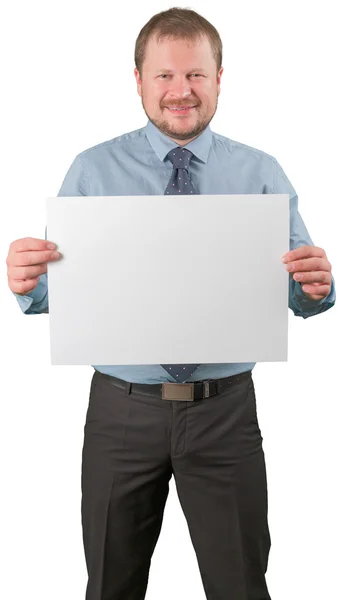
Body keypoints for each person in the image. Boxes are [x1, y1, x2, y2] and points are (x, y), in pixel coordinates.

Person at [6, 7, 336, 600]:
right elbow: (70, 292)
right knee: (111, 584)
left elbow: (299, 293)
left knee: (240, 585)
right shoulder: (92, 170)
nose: (180, 91)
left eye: (196, 75)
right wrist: (30, 284)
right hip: (121, 414)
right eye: (164, 76)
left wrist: (317, 288)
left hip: (225, 414)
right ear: (138, 80)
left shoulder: (261, 173)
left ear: (218, 78)